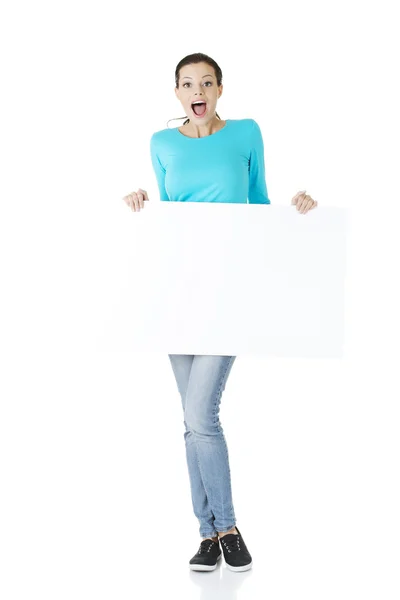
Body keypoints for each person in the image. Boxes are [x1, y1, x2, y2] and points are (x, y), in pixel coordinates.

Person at [122, 52, 318, 572]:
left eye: (206, 81)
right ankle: (208, 536)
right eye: (187, 83)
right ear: (178, 94)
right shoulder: (161, 144)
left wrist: (296, 211)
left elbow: (257, 203)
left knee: (199, 415)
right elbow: (167, 217)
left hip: (228, 292)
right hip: (174, 293)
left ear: (220, 89)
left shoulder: (247, 133)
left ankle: (226, 527)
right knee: (191, 421)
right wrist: (140, 202)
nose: (197, 90)